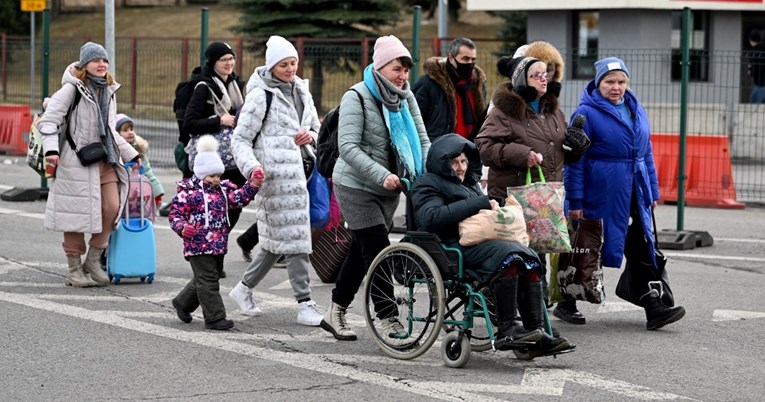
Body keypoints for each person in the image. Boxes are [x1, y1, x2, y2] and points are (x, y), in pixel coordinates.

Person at [410, 134, 573, 355]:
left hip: (480, 242)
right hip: (450, 247)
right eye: (454, 162)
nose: (460, 168)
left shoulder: (469, 184)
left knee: (528, 256)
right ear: (442, 162)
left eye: (464, 161)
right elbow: (430, 218)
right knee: (509, 255)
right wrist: (478, 203)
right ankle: (507, 329)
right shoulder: (428, 183)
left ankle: (536, 329)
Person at [319, 35, 430, 341]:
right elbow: (348, 147)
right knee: (378, 249)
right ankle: (389, 318)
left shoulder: (405, 97)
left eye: (406, 69)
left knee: (360, 250)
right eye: (397, 68)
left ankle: (335, 311)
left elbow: (422, 139)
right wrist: (382, 174)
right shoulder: (357, 96)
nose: (403, 75)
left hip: (389, 188)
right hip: (355, 184)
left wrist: (434, 169)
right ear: (380, 66)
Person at [565, 57, 686, 330]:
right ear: (598, 83)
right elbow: (574, 162)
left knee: (639, 245)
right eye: (609, 82)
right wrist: (575, 200)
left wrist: (652, 191)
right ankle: (566, 300)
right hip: (601, 192)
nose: (616, 87)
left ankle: (653, 306)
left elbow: (647, 153)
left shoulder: (635, 108)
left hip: (634, 190)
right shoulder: (586, 114)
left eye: (621, 81)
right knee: (585, 247)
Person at [474, 55, 590, 320]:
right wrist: (520, 154)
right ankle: (515, 318)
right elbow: (483, 147)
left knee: (537, 257)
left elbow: (560, 154)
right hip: (512, 198)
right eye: (536, 74)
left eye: (545, 74)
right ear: (521, 80)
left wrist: (578, 147)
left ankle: (535, 321)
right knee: (517, 259)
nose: (543, 78)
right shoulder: (504, 111)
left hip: (544, 200)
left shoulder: (553, 111)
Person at [228, 35, 325, 326]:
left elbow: (317, 130)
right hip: (274, 181)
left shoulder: (303, 92)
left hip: (302, 177)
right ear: (271, 67)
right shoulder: (261, 96)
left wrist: (311, 137)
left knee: (274, 244)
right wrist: (253, 168)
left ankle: (243, 289)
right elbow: (240, 139)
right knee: (296, 242)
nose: (290, 68)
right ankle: (305, 303)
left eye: (293, 62)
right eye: (284, 64)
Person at [37, 42, 140, 288]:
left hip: (106, 160)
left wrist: (131, 155)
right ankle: (74, 269)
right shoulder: (71, 90)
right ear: (84, 64)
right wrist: (51, 151)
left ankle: (92, 261)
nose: (102, 64)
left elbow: (109, 130)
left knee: (113, 207)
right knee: (75, 215)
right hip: (76, 162)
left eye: (104, 60)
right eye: (96, 61)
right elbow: (48, 122)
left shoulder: (108, 90)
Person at [169, 135, 262, 330]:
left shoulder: (221, 191)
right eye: (211, 176)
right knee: (208, 279)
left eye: (218, 175)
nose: (216, 179)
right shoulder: (189, 194)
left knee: (208, 276)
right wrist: (183, 228)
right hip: (197, 244)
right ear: (201, 174)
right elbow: (175, 215)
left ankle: (183, 302)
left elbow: (238, 199)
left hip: (218, 244)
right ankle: (214, 317)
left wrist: (252, 185)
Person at [183, 41, 246, 278]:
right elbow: (190, 122)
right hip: (211, 159)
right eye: (224, 60)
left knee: (234, 207)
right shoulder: (203, 87)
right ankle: (211, 261)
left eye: (232, 59)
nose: (229, 63)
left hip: (232, 159)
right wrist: (219, 120)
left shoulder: (235, 85)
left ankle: (215, 252)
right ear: (212, 62)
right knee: (211, 213)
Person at [412, 37, 487, 142]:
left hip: (472, 151)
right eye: (465, 59)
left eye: (473, 59)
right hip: (441, 152)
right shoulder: (428, 84)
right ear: (451, 58)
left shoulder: (478, 86)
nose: (470, 63)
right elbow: (415, 124)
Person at [115, 113, 165, 208]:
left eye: (131, 129)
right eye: (125, 130)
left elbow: (147, 173)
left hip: (137, 195)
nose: (130, 132)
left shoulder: (138, 151)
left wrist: (156, 193)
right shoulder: (115, 153)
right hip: (120, 194)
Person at [747, 30, 765, 104]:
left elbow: (751, 64)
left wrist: (750, 70)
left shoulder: (754, 52)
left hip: (760, 83)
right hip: (761, 83)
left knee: (754, 102)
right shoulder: (762, 50)